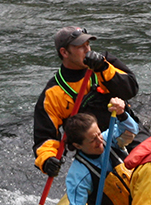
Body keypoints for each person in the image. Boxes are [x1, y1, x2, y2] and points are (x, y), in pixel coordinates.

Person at [32, 25, 139, 178]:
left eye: (88, 44)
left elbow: (131, 89)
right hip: (93, 149)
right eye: (80, 47)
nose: (87, 50)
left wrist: (103, 68)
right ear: (64, 52)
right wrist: (47, 159)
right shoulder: (53, 93)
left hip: (126, 132)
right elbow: (44, 138)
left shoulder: (105, 62)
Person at [62, 101, 140, 205]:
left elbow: (131, 131)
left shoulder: (109, 139)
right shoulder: (79, 174)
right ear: (78, 145)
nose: (100, 141)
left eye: (99, 134)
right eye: (93, 140)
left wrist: (122, 114)